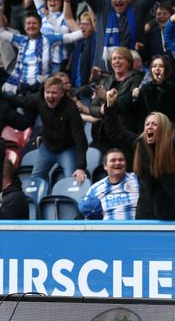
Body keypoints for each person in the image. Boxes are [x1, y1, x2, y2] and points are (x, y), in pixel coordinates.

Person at [103, 89, 175, 219]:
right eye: (147, 124)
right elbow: (115, 132)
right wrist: (110, 106)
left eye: (154, 124)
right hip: (147, 212)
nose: (149, 127)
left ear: (164, 128)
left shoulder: (172, 144)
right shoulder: (140, 143)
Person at [11, 75, 88, 183]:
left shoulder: (71, 108)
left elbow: (80, 139)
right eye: (47, 92)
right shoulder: (38, 99)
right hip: (47, 148)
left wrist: (81, 167)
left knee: (73, 181)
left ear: (62, 94)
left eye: (54, 93)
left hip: (67, 149)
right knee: (34, 182)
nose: (50, 96)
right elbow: (20, 101)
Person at [79, 148, 140, 220]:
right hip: (108, 230)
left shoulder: (137, 180)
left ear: (125, 164)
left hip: (136, 229)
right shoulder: (95, 188)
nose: (117, 163)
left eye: (121, 160)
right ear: (105, 166)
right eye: (113, 160)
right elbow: (88, 217)